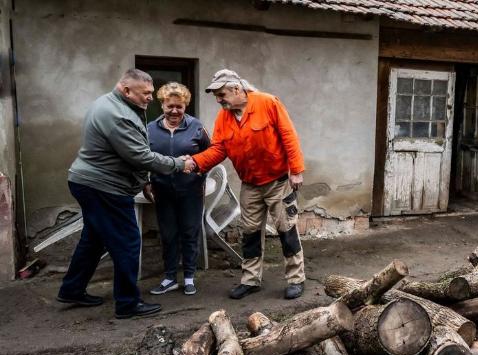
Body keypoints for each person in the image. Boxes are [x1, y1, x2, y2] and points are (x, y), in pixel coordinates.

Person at [57, 68, 196, 319]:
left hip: (89, 182)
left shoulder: (114, 104)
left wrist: (142, 180)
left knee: (93, 239)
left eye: (151, 93)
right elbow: (140, 155)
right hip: (104, 186)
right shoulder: (117, 114)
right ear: (126, 90)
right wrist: (179, 164)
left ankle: (72, 289)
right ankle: (127, 303)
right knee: (128, 241)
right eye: (145, 93)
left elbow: (131, 153)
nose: (150, 98)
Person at [191, 69, 306, 300]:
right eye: (216, 95)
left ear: (236, 89)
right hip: (250, 184)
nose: (219, 99)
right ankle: (251, 280)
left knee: (287, 230)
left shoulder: (267, 102)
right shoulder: (224, 117)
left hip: (278, 181)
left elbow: (288, 135)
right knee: (250, 233)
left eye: (221, 94)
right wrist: (194, 162)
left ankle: (296, 279)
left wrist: (296, 170)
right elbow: (219, 149)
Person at [146, 82, 211, 296]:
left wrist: (199, 170)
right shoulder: (150, 129)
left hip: (190, 190)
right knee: (168, 234)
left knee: (190, 232)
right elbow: (143, 158)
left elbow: (210, 155)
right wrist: (147, 182)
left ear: (185, 106)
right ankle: (170, 278)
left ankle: (190, 277)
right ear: (162, 105)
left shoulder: (196, 127)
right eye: (169, 106)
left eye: (179, 107)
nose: (174, 111)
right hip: (162, 190)